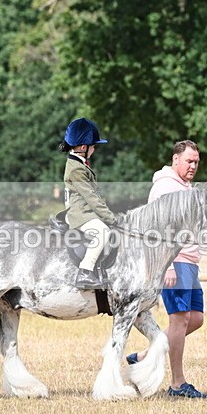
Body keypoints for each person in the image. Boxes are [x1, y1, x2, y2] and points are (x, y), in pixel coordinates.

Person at [126, 139, 207, 398]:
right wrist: (168, 265)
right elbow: (157, 228)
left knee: (196, 319)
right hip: (175, 261)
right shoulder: (165, 188)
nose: (193, 166)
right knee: (180, 320)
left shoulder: (187, 187)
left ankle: (144, 355)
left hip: (190, 261)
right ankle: (177, 384)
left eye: (196, 162)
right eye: (189, 161)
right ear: (175, 160)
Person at [59, 117, 117, 289]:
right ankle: (85, 271)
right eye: (94, 146)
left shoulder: (79, 164)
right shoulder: (76, 169)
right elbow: (91, 198)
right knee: (103, 232)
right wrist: (110, 218)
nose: (94, 149)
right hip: (80, 215)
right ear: (83, 147)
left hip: (85, 213)